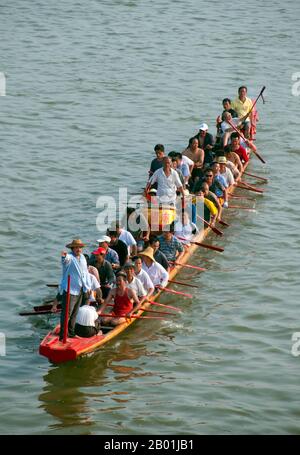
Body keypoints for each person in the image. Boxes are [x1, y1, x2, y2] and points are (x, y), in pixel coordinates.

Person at [59, 239, 91, 340]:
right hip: (70, 290)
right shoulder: (70, 257)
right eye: (76, 247)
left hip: (80, 288)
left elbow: (85, 273)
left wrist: (88, 286)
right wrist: (63, 256)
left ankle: (71, 333)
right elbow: (65, 260)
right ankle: (62, 335)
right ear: (72, 248)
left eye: (80, 247)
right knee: (67, 313)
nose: (78, 249)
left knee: (74, 313)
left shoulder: (82, 258)